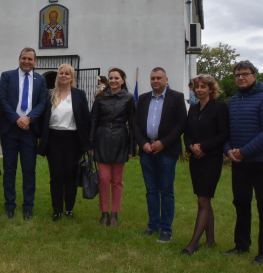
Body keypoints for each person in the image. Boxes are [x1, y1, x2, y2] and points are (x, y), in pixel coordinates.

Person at [223, 60, 263, 265]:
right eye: (237, 75)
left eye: (245, 74)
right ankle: (241, 245)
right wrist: (228, 150)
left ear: (254, 75)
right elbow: (226, 131)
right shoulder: (233, 101)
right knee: (241, 204)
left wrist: (244, 152)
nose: (240, 78)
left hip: (260, 162)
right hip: (239, 163)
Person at [132, 67, 187, 243]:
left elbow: (181, 124)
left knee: (166, 191)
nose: (155, 81)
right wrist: (143, 144)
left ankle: (166, 229)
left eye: (159, 78)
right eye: (153, 78)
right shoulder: (143, 98)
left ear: (166, 79)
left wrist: (163, 143)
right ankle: (153, 225)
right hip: (147, 150)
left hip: (167, 151)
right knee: (151, 190)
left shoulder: (176, 98)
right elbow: (136, 125)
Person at [0, 47, 47, 220]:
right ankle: (9, 205)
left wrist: (29, 118)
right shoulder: (7, 76)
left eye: (30, 59)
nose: (26, 61)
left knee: (29, 169)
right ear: (19, 59)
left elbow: (42, 102)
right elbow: (1, 99)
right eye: (24, 58)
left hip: (29, 131)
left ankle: (28, 206)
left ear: (35, 61)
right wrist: (17, 119)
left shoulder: (40, 80)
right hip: (10, 129)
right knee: (9, 169)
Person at [182, 74, 229, 255]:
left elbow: (224, 133)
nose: (199, 89)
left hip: (211, 159)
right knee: (203, 200)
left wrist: (204, 147)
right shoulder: (193, 109)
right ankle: (210, 241)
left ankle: (193, 244)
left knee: (203, 200)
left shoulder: (219, 108)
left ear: (211, 89)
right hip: (195, 159)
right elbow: (187, 133)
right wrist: (191, 147)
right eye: (197, 86)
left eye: (203, 86)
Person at [38, 64, 91, 221]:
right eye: (61, 73)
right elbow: (42, 118)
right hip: (53, 139)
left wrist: (88, 143)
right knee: (56, 175)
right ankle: (57, 210)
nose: (63, 76)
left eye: (67, 74)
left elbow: (86, 119)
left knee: (70, 175)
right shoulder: (49, 95)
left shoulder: (79, 95)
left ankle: (69, 208)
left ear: (72, 77)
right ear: (57, 76)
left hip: (73, 139)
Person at [90, 67, 135, 227]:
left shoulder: (129, 98)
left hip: (120, 140)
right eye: (111, 78)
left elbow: (133, 124)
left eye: (117, 78)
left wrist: (131, 148)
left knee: (117, 180)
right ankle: (104, 213)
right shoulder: (100, 97)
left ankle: (114, 214)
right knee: (103, 179)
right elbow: (93, 121)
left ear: (122, 80)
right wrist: (91, 143)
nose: (113, 81)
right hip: (102, 139)